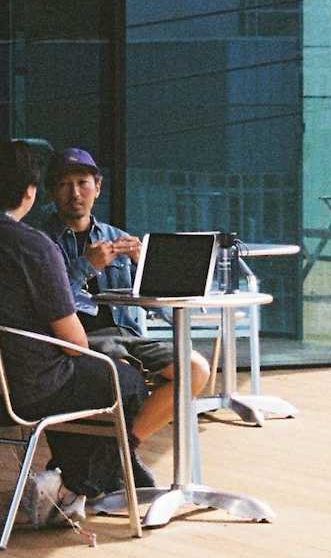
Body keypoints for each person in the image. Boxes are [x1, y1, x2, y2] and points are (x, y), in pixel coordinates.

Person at [0, 139, 148, 529]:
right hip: (30, 390)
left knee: (90, 381)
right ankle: (73, 487)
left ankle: (69, 482)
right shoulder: (34, 245)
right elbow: (76, 344)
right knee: (124, 380)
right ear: (31, 192)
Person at [30, 147, 210, 485]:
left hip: (126, 335)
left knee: (196, 368)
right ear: (53, 192)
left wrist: (147, 268)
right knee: (124, 377)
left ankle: (121, 450)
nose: (75, 193)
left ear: (97, 187)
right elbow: (45, 303)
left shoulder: (116, 236)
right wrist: (86, 266)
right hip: (78, 341)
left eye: (83, 182)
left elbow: (156, 305)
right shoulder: (41, 242)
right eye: (65, 184)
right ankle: (111, 461)